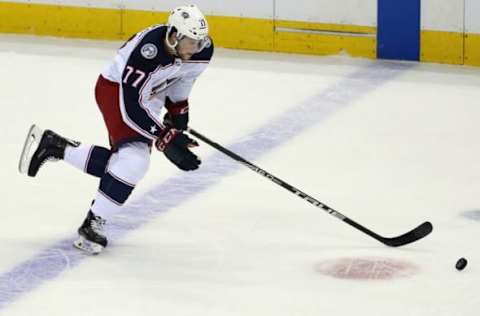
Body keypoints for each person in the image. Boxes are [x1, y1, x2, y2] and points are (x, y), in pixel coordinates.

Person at [18, 4, 214, 254]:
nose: (196, 49)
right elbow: (130, 104)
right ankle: (93, 223)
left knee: (124, 163)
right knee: (134, 162)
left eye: (199, 42)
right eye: (191, 42)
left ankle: (57, 147)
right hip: (115, 91)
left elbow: (183, 79)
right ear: (174, 35)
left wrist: (178, 114)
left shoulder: (202, 50)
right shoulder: (149, 51)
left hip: (149, 93)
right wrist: (164, 136)